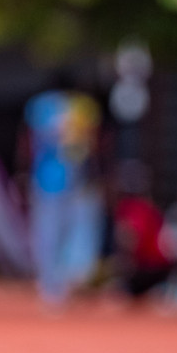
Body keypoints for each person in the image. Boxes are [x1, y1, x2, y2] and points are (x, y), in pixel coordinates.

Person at [23, 71, 104, 309]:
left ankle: (56, 283)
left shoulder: (64, 107)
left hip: (65, 179)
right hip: (56, 179)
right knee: (57, 232)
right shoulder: (72, 107)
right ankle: (54, 284)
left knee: (57, 232)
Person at [110, 161, 175, 302]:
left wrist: (121, 265)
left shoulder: (131, 208)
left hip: (148, 268)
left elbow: (130, 239)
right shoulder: (149, 206)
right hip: (163, 270)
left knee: (115, 294)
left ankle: (151, 290)